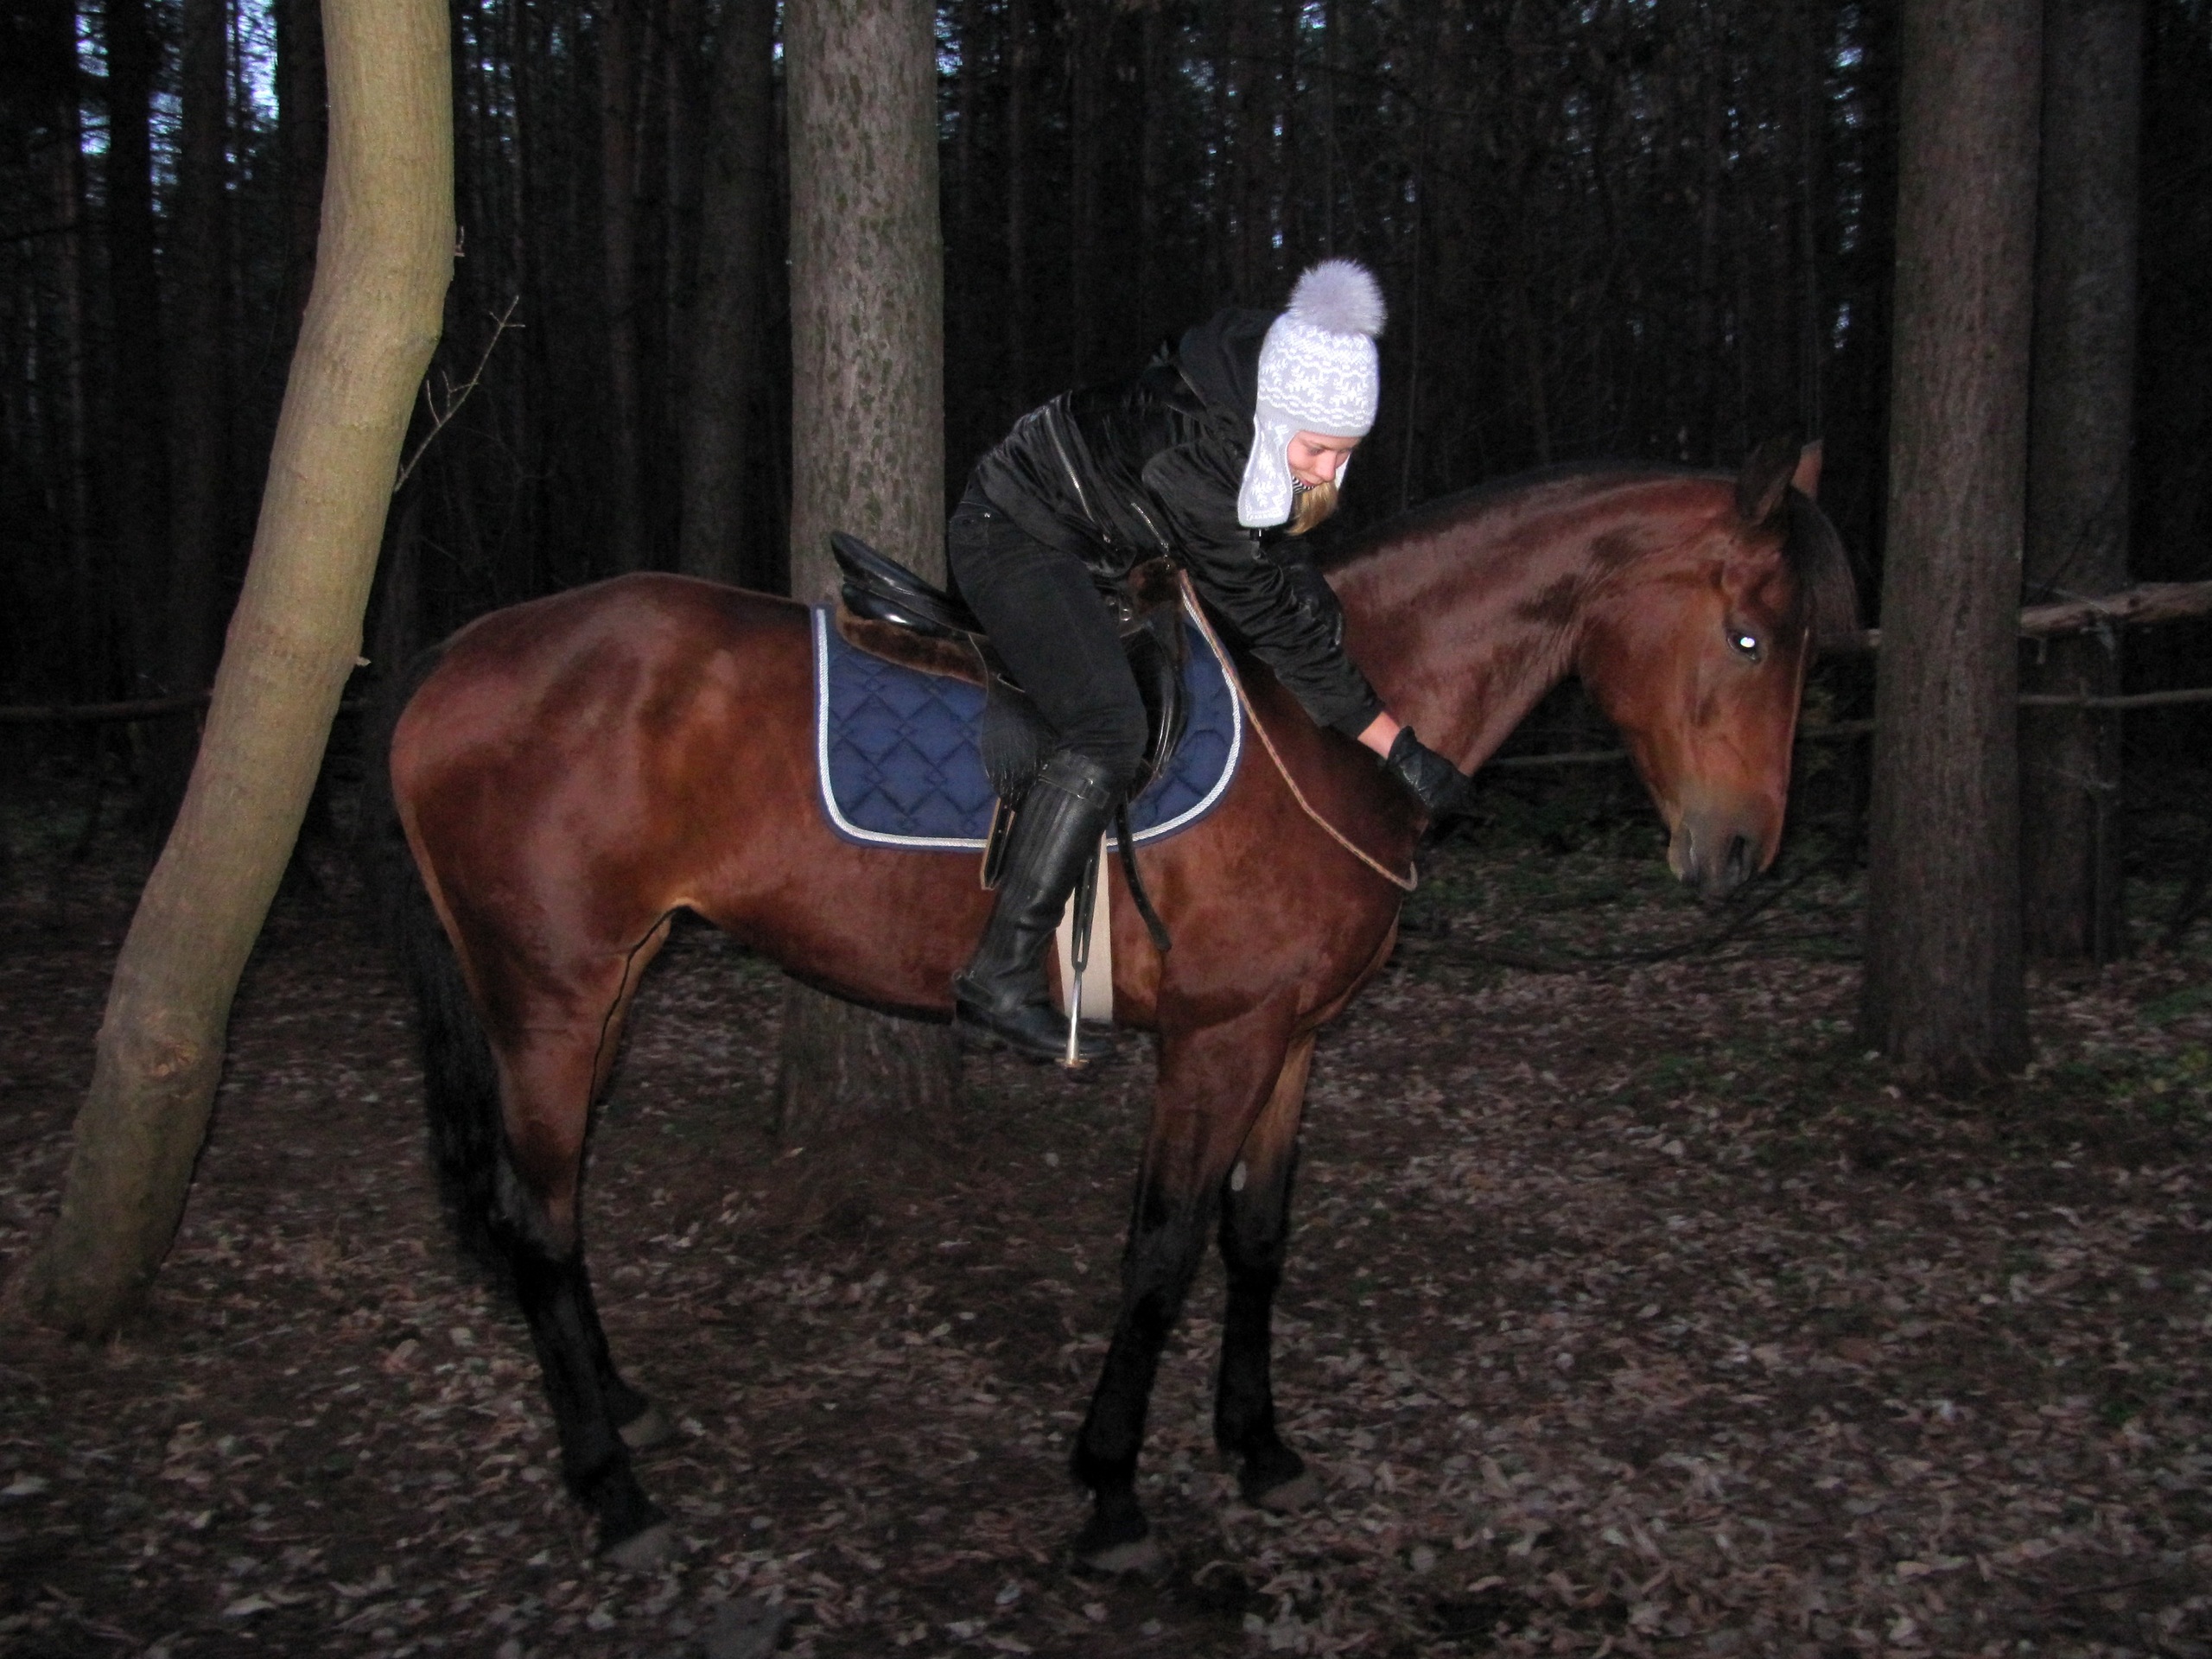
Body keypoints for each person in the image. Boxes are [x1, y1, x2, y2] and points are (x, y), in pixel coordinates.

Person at [947, 257, 1471, 1060]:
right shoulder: (1197, 458)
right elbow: (1262, 610)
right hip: (1016, 532)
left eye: (1344, 454)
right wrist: (1394, 743)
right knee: (1109, 727)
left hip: (1098, 531)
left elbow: (1266, 536)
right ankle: (1001, 972)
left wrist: (1302, 574)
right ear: (1278, 420)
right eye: (1319, 451)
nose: (1329, 473)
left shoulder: (1272, 371)